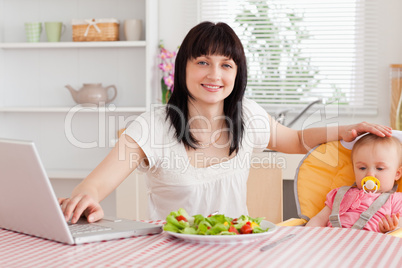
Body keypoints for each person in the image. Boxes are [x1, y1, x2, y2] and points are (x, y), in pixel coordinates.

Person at [60, 21, 392, 223]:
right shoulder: (154, 125)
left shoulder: (247, 115)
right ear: (183, 68)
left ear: (237, 73)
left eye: (226, 65)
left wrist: (346, 129)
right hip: (170, 255)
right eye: (203, 61)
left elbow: (294, 140)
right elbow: (95, 185)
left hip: (236, 252)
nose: (214, 75)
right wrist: (84, 197)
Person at [306, 134, 402, 233]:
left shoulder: (396, 200)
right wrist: (307, 234)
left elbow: (400, 229)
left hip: (370, 244)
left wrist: (390, 230)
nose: (369, 174)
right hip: (333, 240)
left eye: (380, 168)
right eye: (362, 168)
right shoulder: (340, 194)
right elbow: (319, 219)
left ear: (397, 174)